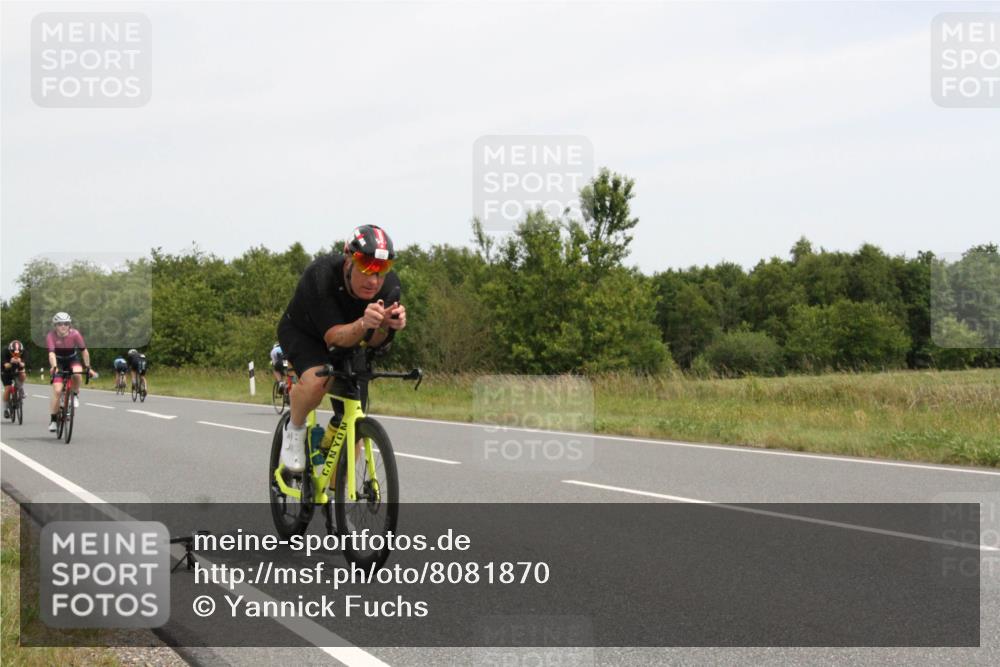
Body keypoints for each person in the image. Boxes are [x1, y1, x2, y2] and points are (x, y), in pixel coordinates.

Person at [277, 225, 407, 472]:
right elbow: (334, 338)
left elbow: (374, 342)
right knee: (318, 381)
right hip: (305, 333)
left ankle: (335, 491)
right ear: (348, 261)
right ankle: (294, 429)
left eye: (381, 270)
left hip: (352, 338)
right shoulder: (321, 275)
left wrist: (386, 326)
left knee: (353, 422)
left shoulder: (390, 286)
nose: (373, 280)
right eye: (366, 267)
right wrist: (364, 323)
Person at [46, 312, 94, 431]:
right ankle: (53, 420)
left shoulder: (75, 334)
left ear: (69, 325)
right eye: (60, 324)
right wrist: (54, 366)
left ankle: (75, 394)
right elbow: (51, 354)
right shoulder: (51, 336)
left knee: (77, 373)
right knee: (57, 391)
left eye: (66, 324)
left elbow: (84, 351)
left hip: (72, 359)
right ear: (55, 326)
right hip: (58, 362)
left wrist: (88, 366)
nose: (63, 326)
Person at [2, 340, 28, 419]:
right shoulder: (5, 351)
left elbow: (23, 364)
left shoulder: (24, 351)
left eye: (18, 353)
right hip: (6, 370)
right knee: (8, 389)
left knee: (23, 375)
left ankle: (20, 388)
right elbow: (5, 365)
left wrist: (20, 362)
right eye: (14, 353)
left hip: (17, 368)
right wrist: (10, 362)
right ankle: (6, 409)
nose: (16, 355)